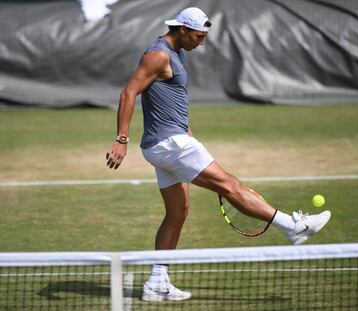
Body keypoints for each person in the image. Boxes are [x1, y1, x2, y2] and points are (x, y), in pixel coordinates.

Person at [106, 7, 331, 302]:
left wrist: (184, 129)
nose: (202, 42)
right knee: (231, 186)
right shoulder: (158, 55)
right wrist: (121, 139)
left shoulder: (175, 52)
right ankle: (293, 226)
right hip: (170, 145)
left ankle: (156, 283)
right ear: (182, 30)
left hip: (165, 143)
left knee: (177, 212)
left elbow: (165, 100)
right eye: (199, 36)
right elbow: (128, 93)